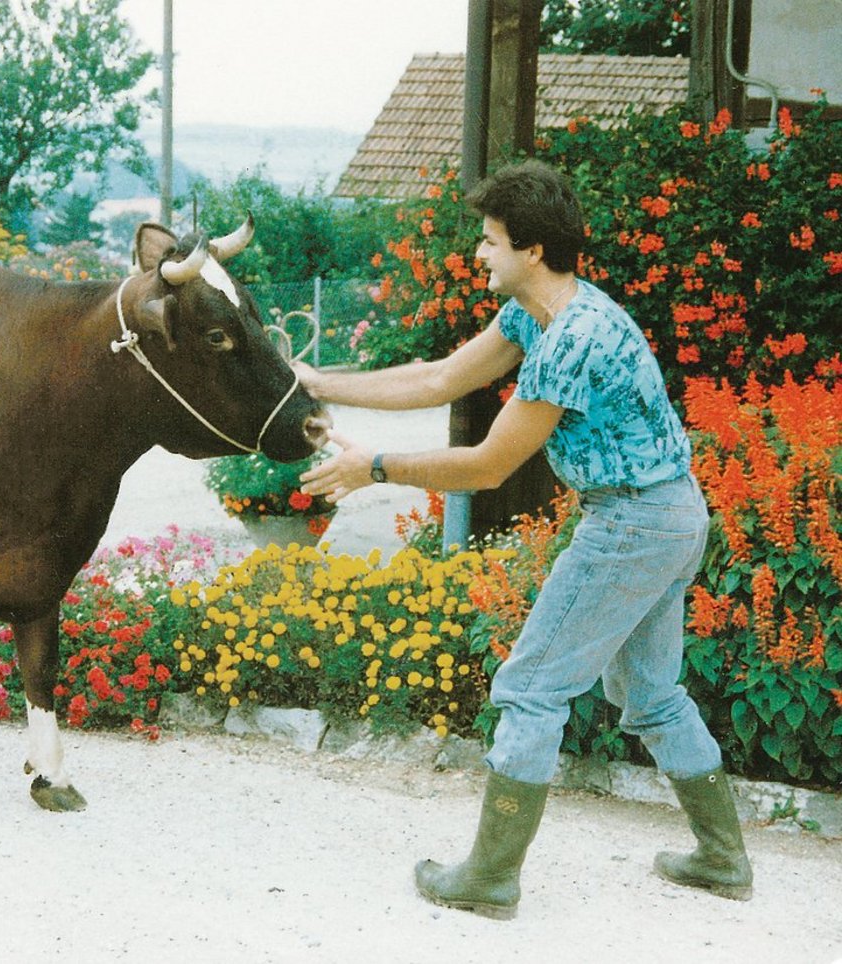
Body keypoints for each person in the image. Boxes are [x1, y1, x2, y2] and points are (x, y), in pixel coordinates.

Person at [294, 160, 752, 921]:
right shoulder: (538, 313)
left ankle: (490, 877)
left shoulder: (575, 338)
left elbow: (487, 466)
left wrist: (372, 465)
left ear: (533, 250)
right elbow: (440, 378)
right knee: (651, 693)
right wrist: (319, 382)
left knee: (532, 688)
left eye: (491, 240)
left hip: (632, 522)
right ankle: (722, 857)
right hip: (672, 514)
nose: (479, 253)